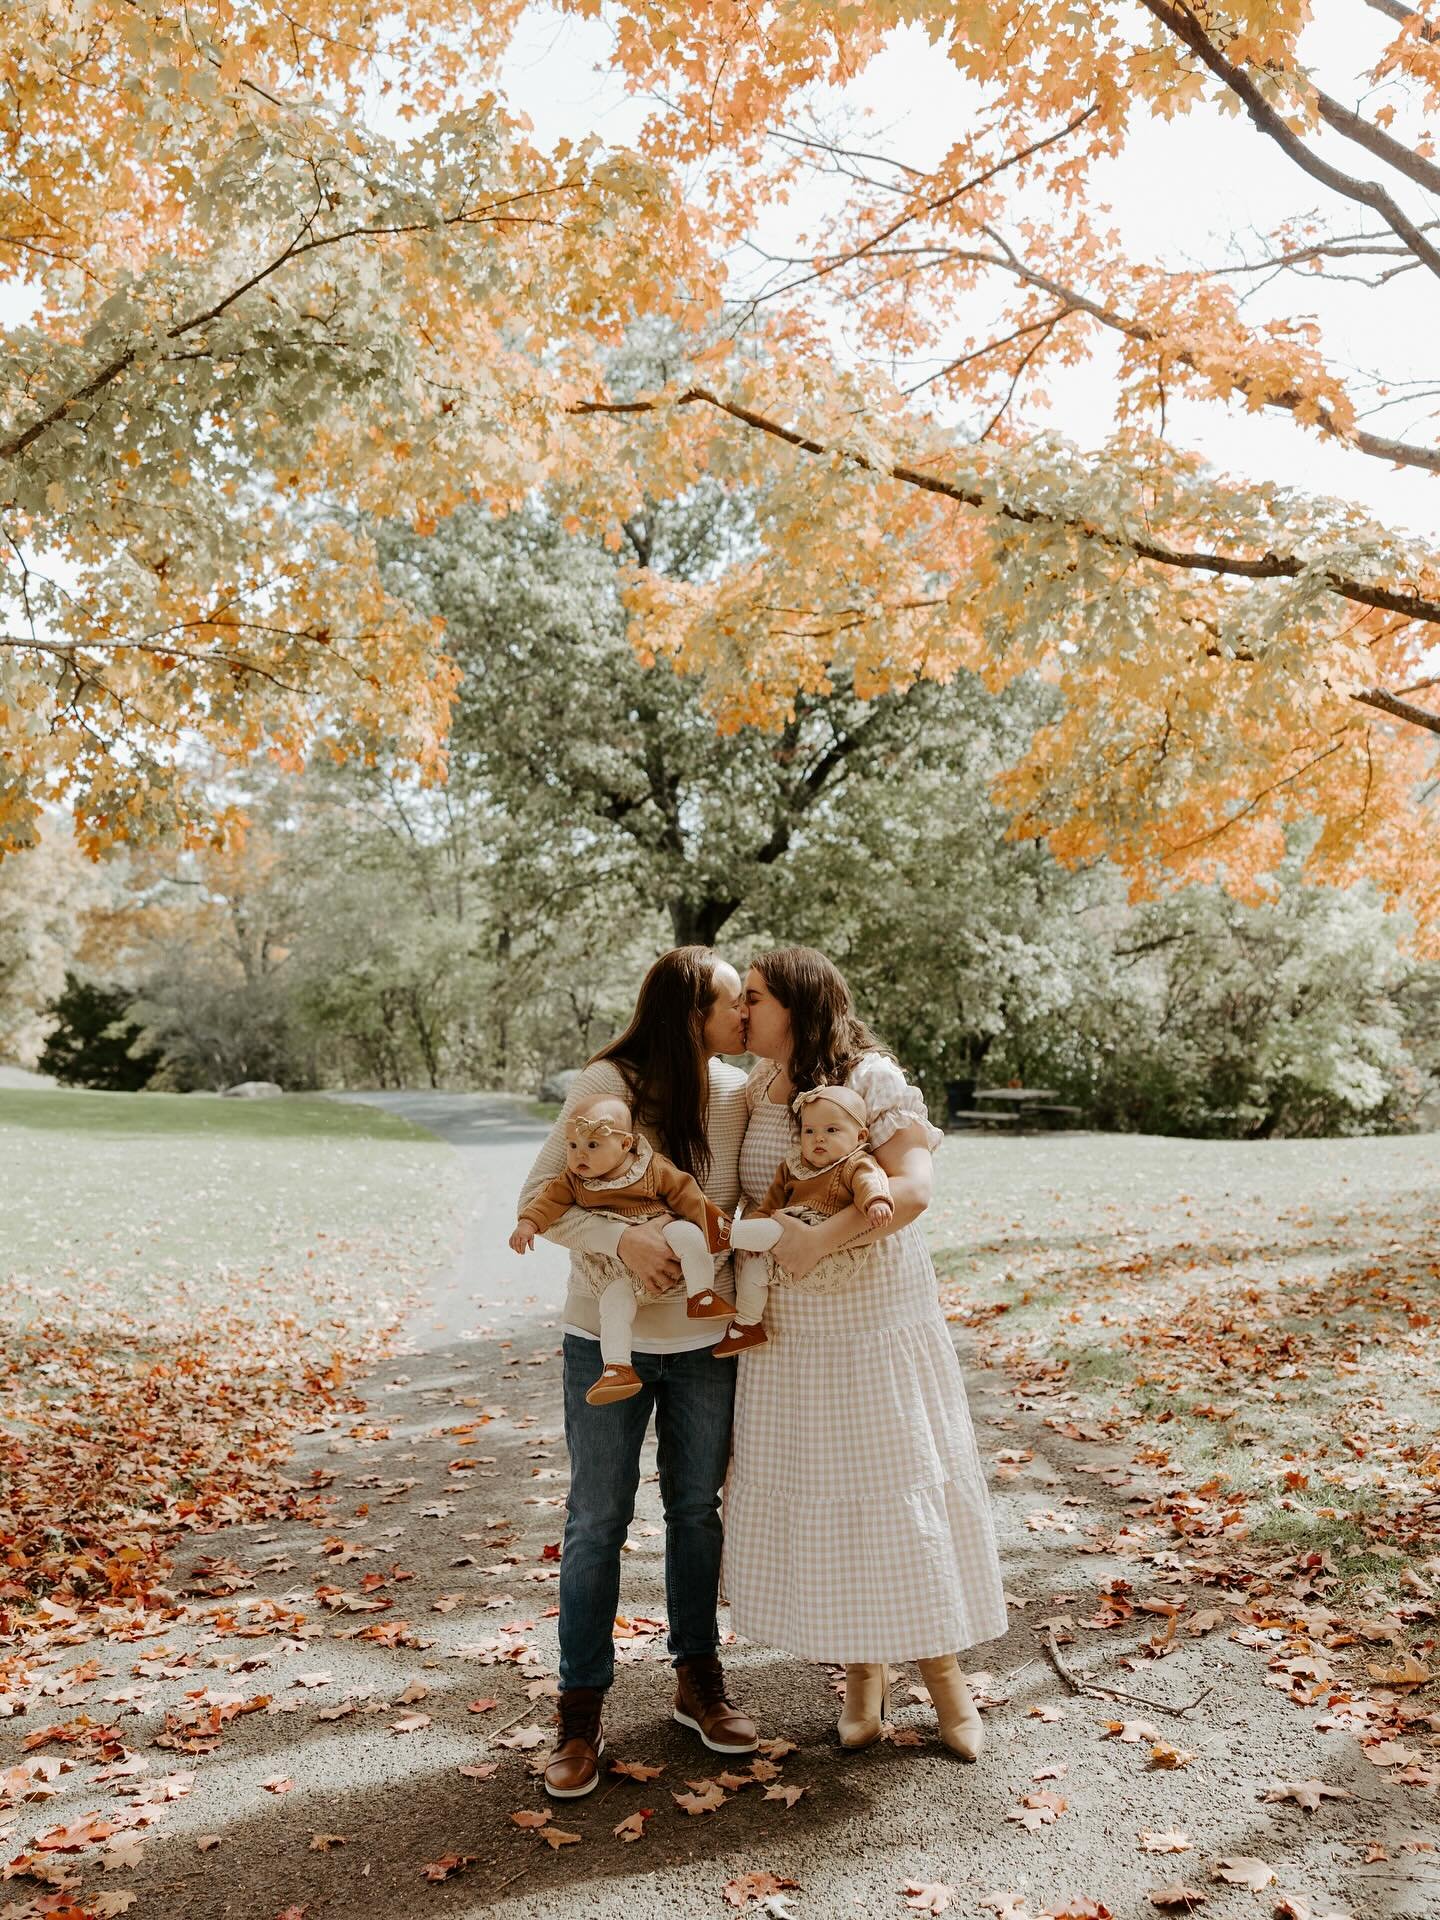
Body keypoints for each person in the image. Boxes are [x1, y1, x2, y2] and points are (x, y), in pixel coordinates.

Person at [725, 946, 1008, 1759]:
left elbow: (912, 1188)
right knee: (831, 1493)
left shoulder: (873, 1077)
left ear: (798, 1004)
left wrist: (823, 1243)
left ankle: (946, 1676)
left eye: (753, 998)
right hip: (791, 1335)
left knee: (892, 1487)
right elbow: (759, 1193)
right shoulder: (757, 1088)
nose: (741, 1012)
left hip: (876, 1321)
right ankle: (861, 1673)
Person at [514, 946, 760, 1799]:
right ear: (694, 1011)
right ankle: (579, 1714)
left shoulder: (736, 1093)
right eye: (734, 1002)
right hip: (605, 1338)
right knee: (596, 1519)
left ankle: (698, 1680)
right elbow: (544, 1197)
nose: (744, 1015)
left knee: (696, 1511)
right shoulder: (602, 1084)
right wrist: (622, 1237)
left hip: (702, 1346)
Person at [509, 1092, 735, 1405]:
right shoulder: (573, 1181)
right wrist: (528, 1224)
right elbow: (547, 1201)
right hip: (613, 1265)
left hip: (661, 1229)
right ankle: (617, 1367)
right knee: (613, 1307)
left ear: (626, 1144)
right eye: (572, 1146)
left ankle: (701, 1295)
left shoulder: (650, 1167)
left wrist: (716, 1223)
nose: (579, 1156)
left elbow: (686, 1194)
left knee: (688, 1236)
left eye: (592, 1145)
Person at [712, 1082, 893, 1357]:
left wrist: (876, 1201)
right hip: (793, 1249)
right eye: (809, 1131)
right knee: (754, 1269)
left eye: (831, 1130)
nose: (818, 1138)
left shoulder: (854, 1163)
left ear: (859, 1136)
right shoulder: (792, 1167)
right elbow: (770, 1207)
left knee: (776, 1229)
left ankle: (720, 1234)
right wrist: (754, 1235)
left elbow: (870, 1181)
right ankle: (747, 1326)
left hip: (832, 1254)